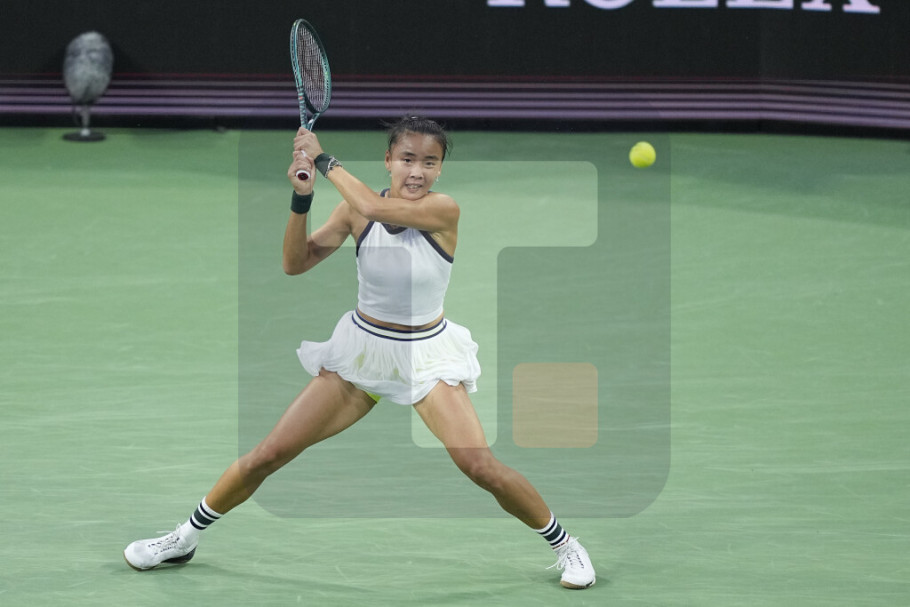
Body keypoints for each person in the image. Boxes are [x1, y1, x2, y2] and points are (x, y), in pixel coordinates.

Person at [123, 116, 596, 589]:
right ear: (388, 160)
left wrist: (323, 159)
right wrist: (302, 199)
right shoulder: (353, 212)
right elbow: (295, 262)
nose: (417, 172)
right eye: (407, 159)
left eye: (429, 162)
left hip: (426, 358)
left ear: (440, 170)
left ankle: (567, 546)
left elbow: (374, 206)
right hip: (362, 353)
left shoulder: (443, 209)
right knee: (270, 453)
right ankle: (184, 538)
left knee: (480, 466)